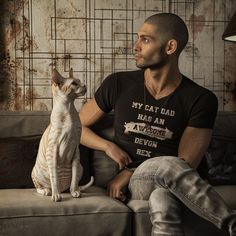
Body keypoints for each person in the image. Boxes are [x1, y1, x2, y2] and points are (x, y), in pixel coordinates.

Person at [79, 13, 236, 236]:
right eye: (138, 38)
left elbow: (185, 165)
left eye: (145, 39)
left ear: (170, 47)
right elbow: (75, 127)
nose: (135, 46)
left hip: (170, 179)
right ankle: (231, 223)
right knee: (166, 173)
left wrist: (129, 172)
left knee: (162, 198)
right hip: (138, 185)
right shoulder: (118, 83)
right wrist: (108, 146)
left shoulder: (201, 99)